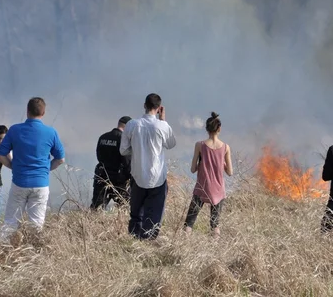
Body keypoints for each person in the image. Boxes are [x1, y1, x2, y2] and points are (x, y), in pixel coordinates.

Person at [0, 97, 65, 239]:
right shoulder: (51, 132)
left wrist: (12, 166)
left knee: (10, 222)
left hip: (19, 183)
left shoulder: (15, 130)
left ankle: (2, 252)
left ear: (27, 111)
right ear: (43, 113)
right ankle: (33, 255)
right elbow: (60, 159)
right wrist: (46, 169)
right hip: (41, 184)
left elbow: (1, 155)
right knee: (36, 224)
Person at [120, 93, 176, 240]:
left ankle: (134, 239)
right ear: (158, 109)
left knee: (136, 212)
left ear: (144, 106)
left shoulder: (132, 124)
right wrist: (163, 120)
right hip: (157, 177)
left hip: (137, 175)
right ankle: (147, 241)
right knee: (154, 215)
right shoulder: (162, 126)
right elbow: (171, 144)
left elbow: (123, 150)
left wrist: (137, 150)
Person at [183, 112, 233, 238]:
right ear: (219, 128)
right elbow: (230, 172)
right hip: (218, 190)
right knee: (215, 224)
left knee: (189, 223)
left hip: (202, 187)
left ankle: (184, 245)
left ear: (206, 129)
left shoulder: (200, 145)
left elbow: (193, 169)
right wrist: (221, 163)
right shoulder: (226, 147)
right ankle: (215, 251)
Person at [90, 116, 133, 210]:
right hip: (119, 180)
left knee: (96, 208)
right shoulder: (124, 140)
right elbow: (127, 161)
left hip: (102, 176)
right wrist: (130, 176)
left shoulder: (103, 137)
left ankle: (89, 224)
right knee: (125, 207)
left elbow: (99, 157)